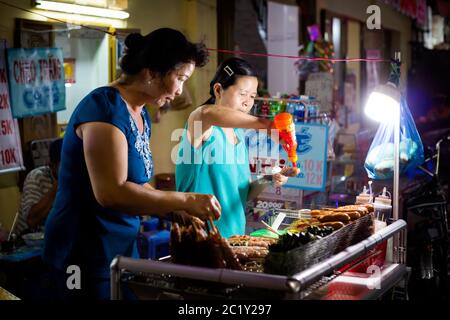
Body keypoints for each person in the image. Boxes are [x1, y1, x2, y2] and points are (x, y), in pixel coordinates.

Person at [43, 28, 221, 300]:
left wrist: (176, 209)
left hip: (120, 247)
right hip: (82, 251)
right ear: (151, 73)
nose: (179, 90)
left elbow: (136, 184)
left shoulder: (139, 114)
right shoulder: (104, 109)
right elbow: (111, 193)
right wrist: (184, 199)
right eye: (180, 78)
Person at [176, 57, 299, 239]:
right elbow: (206, 113)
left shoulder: (238, 135)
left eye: (252, 96)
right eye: (242, 94)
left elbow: (243, 193)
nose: (248, 102)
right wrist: (267, 125)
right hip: (200, 241)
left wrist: (269, 178)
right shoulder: (202, 126)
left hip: (234, 238)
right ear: (218, 90)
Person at [15, 138, 63, 236]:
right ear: (52, 166)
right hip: (27, 240)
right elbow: (31, 220)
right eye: (66, 164)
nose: (73, 168)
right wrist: (59, 185)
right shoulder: (36, 177)